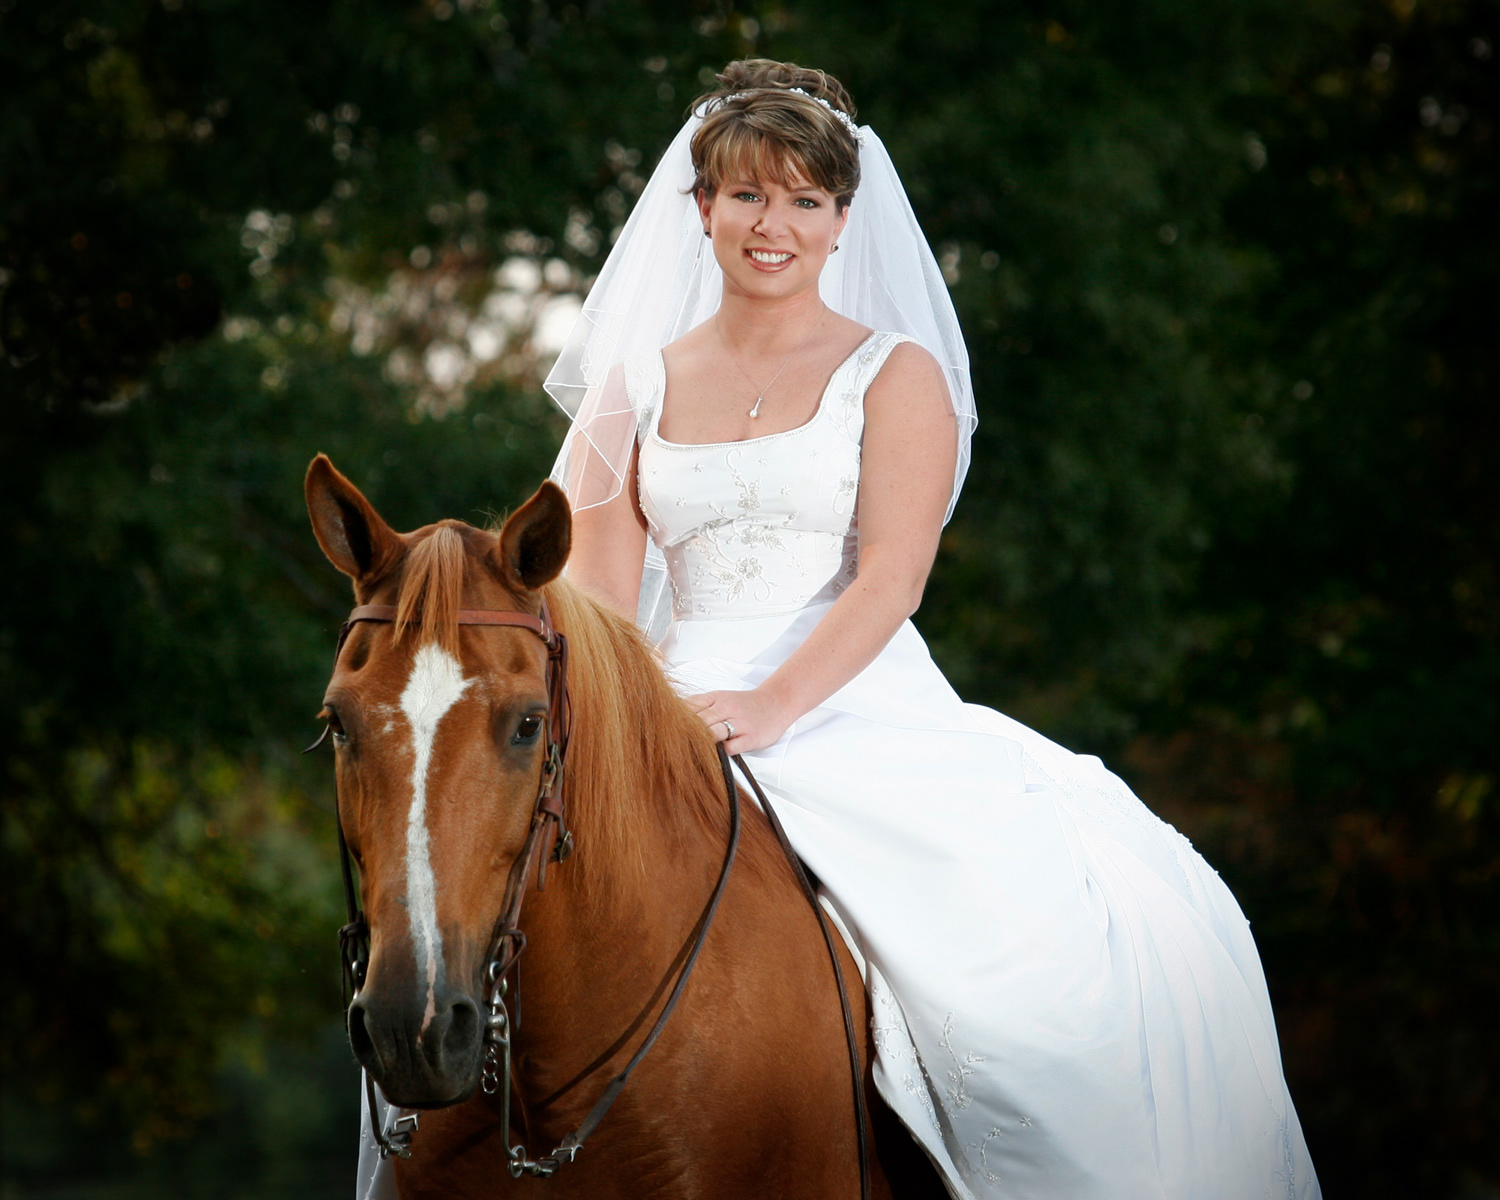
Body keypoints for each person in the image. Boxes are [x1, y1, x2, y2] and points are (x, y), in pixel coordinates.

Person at [550, 59, 1320, 1199]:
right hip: (672, 699)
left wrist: (768, 708)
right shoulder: (634, 386)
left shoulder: (893, 373)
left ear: (842, 220)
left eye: (807, 201)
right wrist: (643, 730)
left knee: (1015, 1009)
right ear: (701, 208)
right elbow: (604, 605)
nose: (777, 225)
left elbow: (891, 581)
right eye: (751, 197)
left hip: (849, 696)